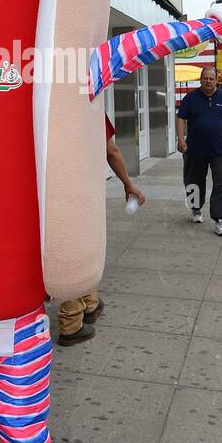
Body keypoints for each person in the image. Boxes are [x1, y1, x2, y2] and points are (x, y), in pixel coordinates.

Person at [57, 114, 146, 346]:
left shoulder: (43, 102)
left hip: (50, 190)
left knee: (78, 246)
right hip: (79, 191)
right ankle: (71, 322)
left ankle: (90, 301)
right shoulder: (88, 105)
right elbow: (111, 151)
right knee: (77, 250)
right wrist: (128, 184)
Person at [177, 65, 222, 237]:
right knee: (193, 180)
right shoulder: (191, 98)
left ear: (216, 80)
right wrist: (180, 139)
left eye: (211, 78)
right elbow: (181, 118)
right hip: (195, 149)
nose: (208, 81)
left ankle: (221, 220)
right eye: (205, 78)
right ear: (200, 80)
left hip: (221, 149)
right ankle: (195, 209)